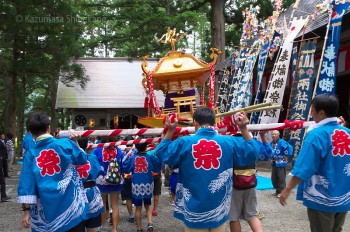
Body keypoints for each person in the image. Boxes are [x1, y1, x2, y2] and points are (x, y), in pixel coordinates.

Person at [154, 107, 259, 232]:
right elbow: (253, 152)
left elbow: (161, 153)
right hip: (219, 207)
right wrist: (243, 128)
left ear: (195, 123)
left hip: (194, 209)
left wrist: (170, 130)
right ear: (214, 123)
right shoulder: (229, 141)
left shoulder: (184, 142)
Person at [280, 94, 350, 232]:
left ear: (321, 112)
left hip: (322, 197)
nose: (311, 114)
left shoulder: (316, 135)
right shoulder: (347, 133)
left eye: (312, 110)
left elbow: (305, 167)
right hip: (344, 195)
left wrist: (288, 189)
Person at [17, 112, 89, 231]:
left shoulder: (31, 154)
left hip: (45, 209)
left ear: (30, 132)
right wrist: (76, 142)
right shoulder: (66, 143)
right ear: (49, 127)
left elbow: (27, 185)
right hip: (72, 207)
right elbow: (82, 160)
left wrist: (26, 212)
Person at [229, 132, 270, 232]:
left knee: (233, 217)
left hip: (234, 184)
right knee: (252, 215)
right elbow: (268, 154)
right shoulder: (254, 142)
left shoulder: (228, 142)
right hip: (251, 182)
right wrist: (263, 136)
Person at [123, 141, 162, 232]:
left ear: (136, 147)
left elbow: (125, 168)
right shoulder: (150, 157)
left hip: (137, 185)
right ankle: (150, 223)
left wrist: (128, 153)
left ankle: (139, 228)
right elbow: (157, 167)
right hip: (148, 183)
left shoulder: (132, 158)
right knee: (148, 205)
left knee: (138, 207)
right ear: (146, 147)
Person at [94, 137, 123, 232]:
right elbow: (122, 166)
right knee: (114, 205)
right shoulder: (119, 151)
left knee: (103, 204)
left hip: (102, 180)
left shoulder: (97, 150)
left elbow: (94, 165)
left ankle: (103, 226)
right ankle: (114, 229)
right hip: (116, 180)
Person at [76, 138, 104, 232]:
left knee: (78, 223)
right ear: (87, 146)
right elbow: (98, 172)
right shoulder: (92, 157)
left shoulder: (71, 160)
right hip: (91, 191)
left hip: (77, 193)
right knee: (91, 225)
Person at [267, 130, 293, 198]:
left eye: (275, 134)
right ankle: (277, 191)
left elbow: (289, 147)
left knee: (281, 177)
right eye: (272, 134)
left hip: (281, 161)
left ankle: (282, 192)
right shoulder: (272, 143)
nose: (273, 135)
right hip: (274, 162)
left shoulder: (282, 142)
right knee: (274, 177)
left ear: (278, 135)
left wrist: (286, 156)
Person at [121, 135, 135, 223]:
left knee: (128, 198)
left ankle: (131, 215)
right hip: (135, 177)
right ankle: (137, 213)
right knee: (135, 196)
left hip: (125, 176)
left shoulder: (123, 153)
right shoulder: (136, 152)